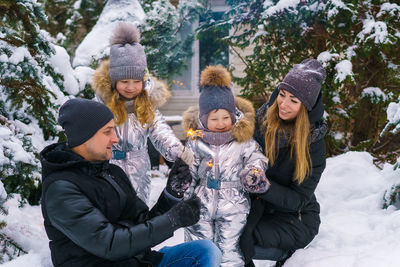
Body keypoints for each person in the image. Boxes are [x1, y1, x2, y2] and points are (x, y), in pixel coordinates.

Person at [40, 98, 222, 267]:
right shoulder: (61, 189)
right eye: (107, 131)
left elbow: (142, 224)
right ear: (84, 136)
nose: (115, 138)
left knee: (205, 251)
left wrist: (172, 194)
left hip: (137, 261)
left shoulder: (111, 172)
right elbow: (109, 244)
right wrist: (172, 220)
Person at [239, 59, 328, 267]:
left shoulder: (313, 144)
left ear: (306, 108)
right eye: (282, 95)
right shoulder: (262, 123)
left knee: (239, 240)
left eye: (294, 101)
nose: (284, 104)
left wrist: (265, 187)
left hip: (294, 218)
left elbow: (299, 199)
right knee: (225, 230)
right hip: (258, 209)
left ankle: (286, 257)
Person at [92, 22, 193, 204]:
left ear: (143, 80)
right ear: (114, 81)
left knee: (137, 218)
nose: (131, 87)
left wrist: (176, 150)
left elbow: (161, 132)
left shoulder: (147, 107)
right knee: (111, 214)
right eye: (124, 81)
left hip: (139, 173)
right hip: (107, 170)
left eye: (136, 81)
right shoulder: (101, 107)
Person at [182, 65, 270, 266]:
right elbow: (189, 170)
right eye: (214, 119)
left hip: (234, 203)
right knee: (200, 246)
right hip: (201, 202)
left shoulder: (243, 140)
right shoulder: (196, 142)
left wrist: (253, 172)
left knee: (229, 249)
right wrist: (185, 194)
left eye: (226, 117)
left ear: (233, 116)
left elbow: (256, 157)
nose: (221, 123)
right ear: (203, 119)